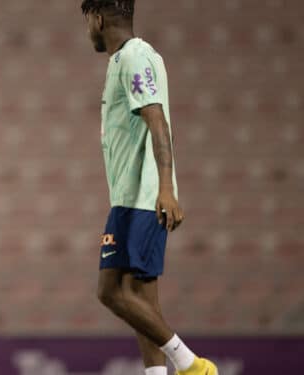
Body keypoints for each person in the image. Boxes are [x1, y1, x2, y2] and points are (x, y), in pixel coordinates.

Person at [81, 1, 218, 374]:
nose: (88, 31)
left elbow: (157, 123)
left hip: (139, 198)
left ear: (96, 17)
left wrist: (166, 190)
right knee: (143, 299)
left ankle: (192, 366)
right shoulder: (126, 59)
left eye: (87, 22)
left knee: (109, 291)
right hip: (134, 195)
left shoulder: (135, 57)